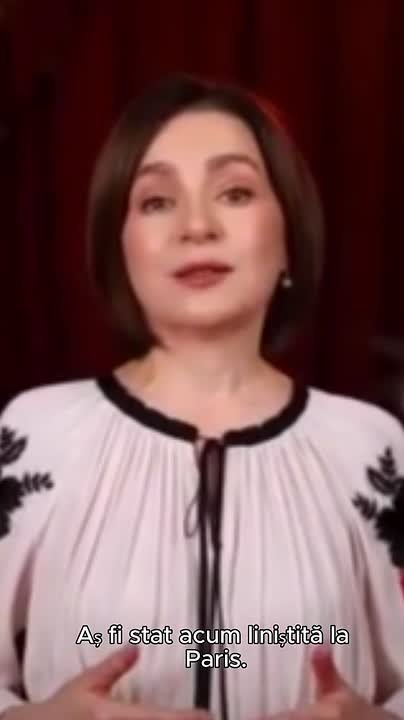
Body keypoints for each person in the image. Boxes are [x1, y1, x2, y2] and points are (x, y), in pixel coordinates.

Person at [0, 72, 404, 720]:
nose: (196, 226)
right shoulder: (35, 437)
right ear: (119, 246)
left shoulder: (371, 450)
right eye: (157, 201)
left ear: (289, 236)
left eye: (235, 192)